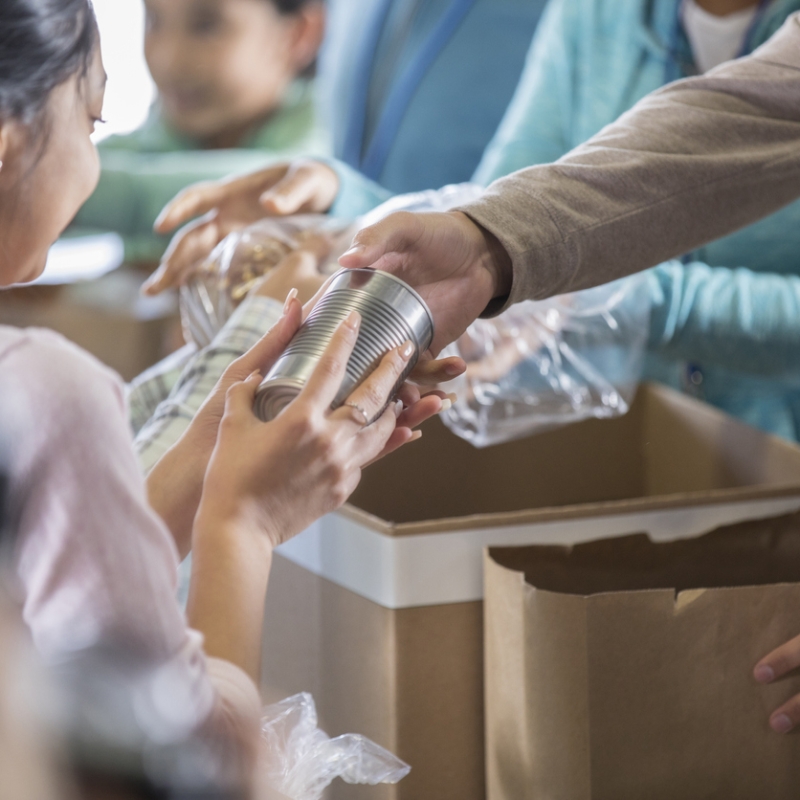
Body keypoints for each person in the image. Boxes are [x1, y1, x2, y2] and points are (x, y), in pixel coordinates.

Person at [0, 1, 446, 793]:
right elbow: (195, 766)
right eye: (95, 123)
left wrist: (232, 396)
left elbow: (77, 543)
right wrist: (246, 521)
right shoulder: (39, 392)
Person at [70, 0, 328, 263]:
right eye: (153, 21)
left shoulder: (331, 139)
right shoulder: (154, 138)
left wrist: (53, 181)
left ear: (296, 36)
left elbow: (271, 181)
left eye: (207, 26)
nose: (168, 60)